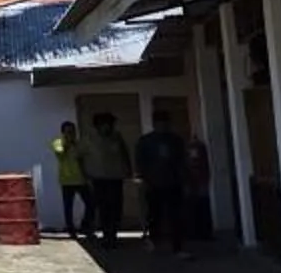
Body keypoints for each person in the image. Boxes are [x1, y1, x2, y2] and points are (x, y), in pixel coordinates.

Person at [136, 105, 190, 254]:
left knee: (175, 215)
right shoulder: (146, 141)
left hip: (173, 182)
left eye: (165, 123)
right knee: (154, 215)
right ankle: (154, 241)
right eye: (159, 123)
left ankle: (177, 245)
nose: (163, 126)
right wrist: (143, 179)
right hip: (153, 183)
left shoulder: (176, 140)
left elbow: (182, 161)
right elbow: (140, 162)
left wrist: (184, 180)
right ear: (154, 124)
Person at [81, 112, 133, 243]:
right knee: (104, 208)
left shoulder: (117, 137)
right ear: (97, 126)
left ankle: (113, 234)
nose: (107, 127)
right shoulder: (88, 139)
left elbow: (124, 153)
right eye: (104, 125)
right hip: (98, 178)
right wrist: (85, 174)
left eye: (110, 125)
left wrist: (128, 170)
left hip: (115, 177)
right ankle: (106, 235)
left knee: (116, 207)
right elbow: (78, 157)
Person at [51, 122, 90, 239]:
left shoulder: (79, 144)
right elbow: (61, 154)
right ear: (63, 132)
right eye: (68, 131)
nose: (71, 134)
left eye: (73, 131)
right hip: (67, 180)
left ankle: (85, 226)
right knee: (68, 207)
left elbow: (84, 157)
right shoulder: (57, 142)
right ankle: (71, 230)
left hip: (81, 179)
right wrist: (68, 143)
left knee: (91, 203)